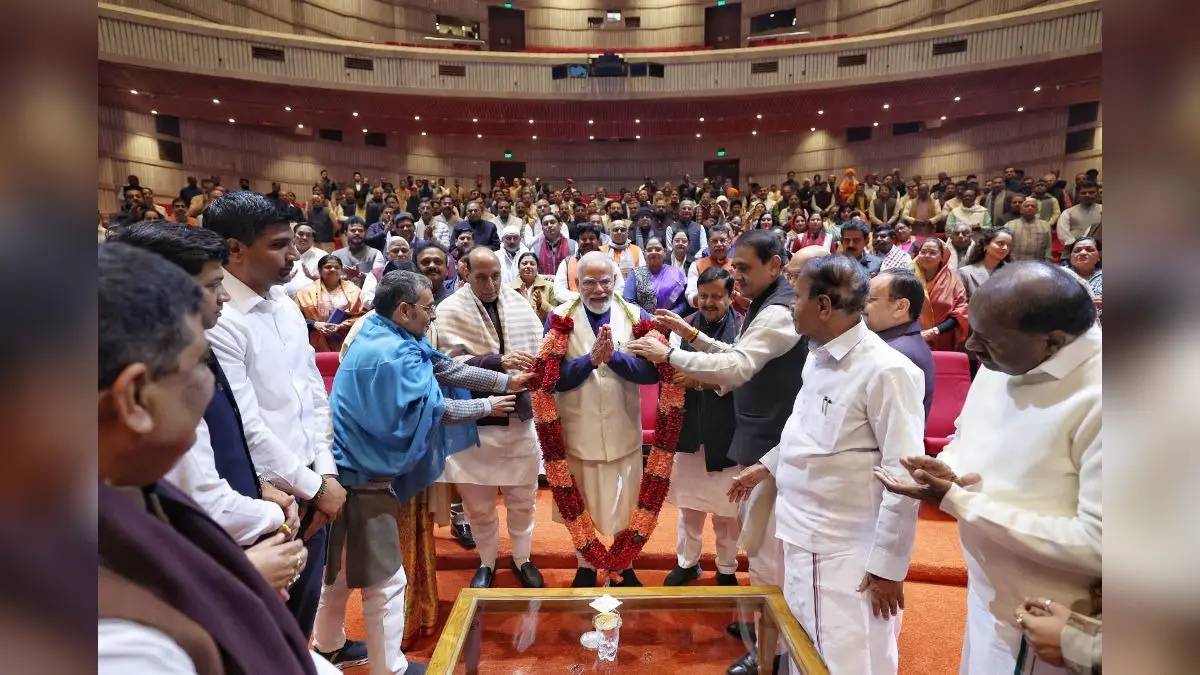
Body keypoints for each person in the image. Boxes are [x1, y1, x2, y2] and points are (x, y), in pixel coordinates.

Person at [97, 243, 338, 675]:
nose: (210, 387)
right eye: (197, 365)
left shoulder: (126, 483)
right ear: (134, 398)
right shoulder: (126, 649)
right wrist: (242, 578)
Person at [876, 261, 1101, 675]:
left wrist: (959, 500)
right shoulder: (1007, 356)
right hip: (988, 595)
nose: (971, 345)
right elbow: (965, 433)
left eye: (988, 339)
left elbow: (1100, 543)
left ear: (1052, 342)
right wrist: (947, 467)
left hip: (1055, 626)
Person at [315, 269, 524, 675]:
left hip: (343, 471)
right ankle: (389, 668)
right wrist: (487, 406)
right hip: (364, 479)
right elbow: (433, 408)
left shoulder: (379, 331)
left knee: (337, 570)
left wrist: (504, 381)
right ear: (405, 309)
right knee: (386, 582)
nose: (433, 316)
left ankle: (328, 645)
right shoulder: (393, 353)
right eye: (428, 308)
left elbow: (446, 369)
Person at [728, 254, 925, 675]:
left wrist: (889, 567)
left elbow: (905, 474)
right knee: (807, 651)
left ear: (822, 306)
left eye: (796, 296)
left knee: (847, 659)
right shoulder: (817, 356)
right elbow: (805, 431)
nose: (790, 305)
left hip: (845, 553)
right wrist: (768, 465)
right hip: (800, 535)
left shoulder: (888, 370)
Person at [630, 233, 814, 675]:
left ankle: (773, 654)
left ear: (774, 266)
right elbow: (736, 354)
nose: (738, 276)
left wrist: (670, 354)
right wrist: (689, 334)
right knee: (762, 552)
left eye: (744, 269)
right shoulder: (766, 304)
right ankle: (767, 636)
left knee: (768, 558)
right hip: (762, 445)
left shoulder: (778, 310)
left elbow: (736, 366)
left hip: (770, 445)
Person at [203, 192, 363, 662]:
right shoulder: (219, 319)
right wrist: (312, 487)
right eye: (278, 245)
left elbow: (313, 396)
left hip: (311, 486)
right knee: (260, 641)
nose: (295, 254)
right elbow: (244, 426)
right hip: (264, 498)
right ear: (234, 249)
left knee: (297, 628)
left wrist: (325, 473)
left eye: (293, 242)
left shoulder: (286, 305)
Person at [105, 223, 303, 562]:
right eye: (212, 285)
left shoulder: (176, 351)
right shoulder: (160, 374)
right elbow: (201, 502)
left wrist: (258, 485)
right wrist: (275, 518)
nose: (224, 296)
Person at [544, 251, 661, 588]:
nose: (598, 289)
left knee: (628, 506)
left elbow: (651, 373)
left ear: (615, 281)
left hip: (623, 431)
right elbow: (551, 378)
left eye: (605, 281)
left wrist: (615, 359)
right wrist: (589, 362)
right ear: (577, 283)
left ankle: (625, 565)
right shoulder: (558, 318)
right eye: (589, 282)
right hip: (579, 432)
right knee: (580, 504)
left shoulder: (636, 316)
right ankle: (585, 565)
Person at [434, 248, 547, 590]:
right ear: (464, 272)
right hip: (472, 420)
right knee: (479, 505)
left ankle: (522, 558)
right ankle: (486, 561)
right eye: (481, 277)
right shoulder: (448, 310)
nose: (490, 284)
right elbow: (447, 365)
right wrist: (498, 361)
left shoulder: (519, 305)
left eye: (496, 275)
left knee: (523, 499)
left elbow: (538, 352)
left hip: (518, 416)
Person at [661, 267, 743, 587]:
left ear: (730, 297)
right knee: (690, 507)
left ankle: (727, 567)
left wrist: (700, 380)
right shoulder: (681, 327)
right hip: (690, 429)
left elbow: (741, 375)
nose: (709, 302)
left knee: (727, 511)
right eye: (704, 295)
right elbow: (671, 368)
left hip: (728, 431)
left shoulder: (743, 329)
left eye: (716, 296)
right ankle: (687, 562)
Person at [864, 270, 937, 417]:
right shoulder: (901, 342)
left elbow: (896, 426)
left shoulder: (898, 354)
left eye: (870, 299)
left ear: (901, 307)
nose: (861, 305)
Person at [295, 255, 366, 352]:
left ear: (341, 271)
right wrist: (315, 324)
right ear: (320, 270)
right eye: (328, 267)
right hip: (317, 342)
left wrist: (341, 326)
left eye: (337, 267)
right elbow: (296, 318)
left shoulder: (354, 290)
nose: (333, 269)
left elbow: (363, 316)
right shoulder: (305, 292)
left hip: (348, 339)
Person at [913, 238, 971, 351]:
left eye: (933, 253)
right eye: (923, 252)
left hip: (942, 338)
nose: (927, 255)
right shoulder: (907, 276)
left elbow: (960, 312)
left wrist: (935, 331)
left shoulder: (953, 280)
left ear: (942, 257)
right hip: (912, 337)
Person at [554, 223, 624, 304]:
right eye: (583, 239)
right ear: (577, 242)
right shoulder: (567, 262)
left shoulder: (609, 262)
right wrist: (583, 299)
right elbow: (559, 290)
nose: (587, 242)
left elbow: (620, 287)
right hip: (575, 308)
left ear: (599, 241)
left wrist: (602, 299)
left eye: (591, 238)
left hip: (606, 306)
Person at [685, 223, 747, 312]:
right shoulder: (696, 265)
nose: (719, 244)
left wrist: (733, 290)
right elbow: (691, 300)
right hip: (706, 314)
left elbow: (748, 303)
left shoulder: (739, 265)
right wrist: (710, 291)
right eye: (714, 241)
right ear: (708, 244)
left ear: (729, 242)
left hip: (736, 316)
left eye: (722, 240)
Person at [623, 236, 688, 315]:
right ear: (644, 253)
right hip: (641, 321)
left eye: (658, 249)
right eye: (649, 250)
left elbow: (684, 303)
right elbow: (629, 301)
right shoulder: (635, 274)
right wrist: (649, 318)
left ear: (665, 252)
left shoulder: (676, 274)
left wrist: (670, 315)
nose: (653, 252)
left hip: (671, 320)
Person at [958, 227, 1013, 300]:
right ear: (985, 245)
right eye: (1001, 243)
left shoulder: (1012, 273)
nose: (1005, 248)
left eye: (1009, 245)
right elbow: (960, 303)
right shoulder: (965, 273)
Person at [1063, 237, 1102, 316]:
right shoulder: (1059, 275)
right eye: (1077, 250)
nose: (1083, 253)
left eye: (1089, 250)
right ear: (1070, 256)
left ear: (1099, 256)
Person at [1056, 181, 1102, 248]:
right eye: (1083, 193)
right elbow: (1063, 234)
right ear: (1078, 195)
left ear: (1098, 194)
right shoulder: (1068, 212)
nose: (1087, 195)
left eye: (1091, 192)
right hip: (1073, 250)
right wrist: (1078, 247)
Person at [1008, 197, 1053, 262]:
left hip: (1038, 264)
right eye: (1027, 206)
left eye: (1033, 206)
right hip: (1014, 263)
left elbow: (1048, 247)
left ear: (1037, 210)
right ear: (1021, 210)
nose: (1030, 208)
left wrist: (1048, 261)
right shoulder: (1009, 225)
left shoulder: (1045, 225)